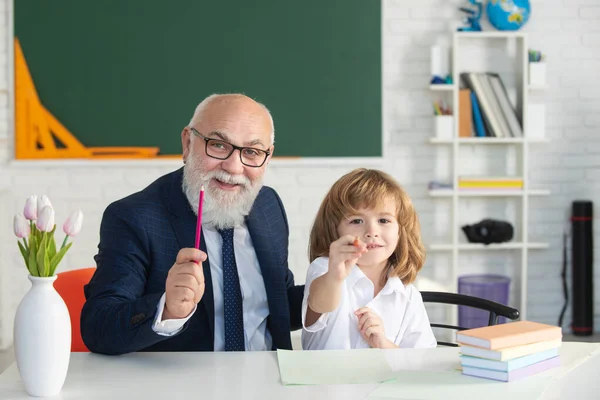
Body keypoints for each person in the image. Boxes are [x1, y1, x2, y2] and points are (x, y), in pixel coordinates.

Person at [81, 94, 304, 355]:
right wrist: (168, 309)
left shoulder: (268, 205)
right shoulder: (134, 217)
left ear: (267, 157)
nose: (233, 167)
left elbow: (276, 306)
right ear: (187, 143)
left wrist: (333, 286)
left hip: (267, 382)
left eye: (252, 152)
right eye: (218, 145)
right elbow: (99, 328)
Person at [301, 168, 437, 350]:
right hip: (328, 379)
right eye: (357, 221)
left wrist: (383, 344)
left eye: (384, 221)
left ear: (400, 231)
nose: (372, 232)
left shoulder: (407, 294)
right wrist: (335, 275)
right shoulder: (326, 268)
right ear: (334, 230)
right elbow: (318, 304)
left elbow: (421, 362)